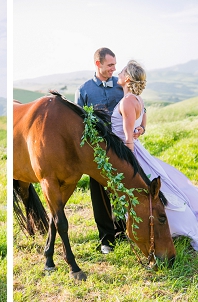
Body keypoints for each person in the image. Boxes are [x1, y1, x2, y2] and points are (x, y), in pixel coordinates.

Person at [112, 60, 198, 251]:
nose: (119, 73)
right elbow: (142, 122)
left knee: (151, 192)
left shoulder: (127, 102)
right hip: (138, 149)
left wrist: (130, 165)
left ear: (128, 78)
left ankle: (170, 228)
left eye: (122, 71)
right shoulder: (138, 100)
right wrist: (141, 128)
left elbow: (127, 138)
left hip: (132, 153)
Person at [75, 47, 140, 254]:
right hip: (97, 153)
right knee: (100, 194)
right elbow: (77, 123)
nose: (114, 68)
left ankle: (123, 232)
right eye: (110, 64)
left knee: (122, 190)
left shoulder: (121, 87)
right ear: (98, 64)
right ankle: (106, 239)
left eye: (115, 64)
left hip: (121, 149)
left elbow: (140, 107)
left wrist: (142, 126)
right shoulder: (84, 90)